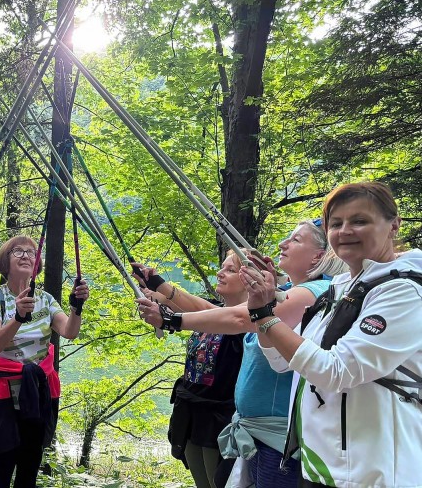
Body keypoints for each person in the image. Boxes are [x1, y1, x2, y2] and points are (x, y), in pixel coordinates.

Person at [136, 220, 347, 488]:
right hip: (256, 432)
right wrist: (161, 289)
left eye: (295, 240)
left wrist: (171, 320)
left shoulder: (313, 292)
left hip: (276, 435)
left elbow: (240, 319)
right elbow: (213, 312)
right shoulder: (288, 294)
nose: (283, 244)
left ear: (320, 255)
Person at [245, 182, 422, 487]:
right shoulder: (339, 289)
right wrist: (263, 315)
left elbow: (337, 371)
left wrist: (264, 316)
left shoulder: (404, 291)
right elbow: (281, 360)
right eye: (336, 223)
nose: (345, 231)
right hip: (322, 465)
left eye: (360, 221)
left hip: (373, 472)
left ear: (393, 225)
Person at [0, 235, 90, 488]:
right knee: (3, 466)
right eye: (18, 251)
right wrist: (18, 316)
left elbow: (69, 331)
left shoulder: (47, 299)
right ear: (5, 262)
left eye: (31, 252)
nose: (26, 255)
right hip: (3, 392)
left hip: (37, 392)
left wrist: (76, 308)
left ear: (36, 264)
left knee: (29, 466)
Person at [131, 251, 248, 488]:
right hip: (191, 415)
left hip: (220, 421)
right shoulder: (212, 309)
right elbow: (184, 305)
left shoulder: (248, 321)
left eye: (230, 270)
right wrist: (150, 287)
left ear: (250, 280)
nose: (220, 273)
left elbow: (205, 312)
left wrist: (162, 288)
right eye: (222, 267)